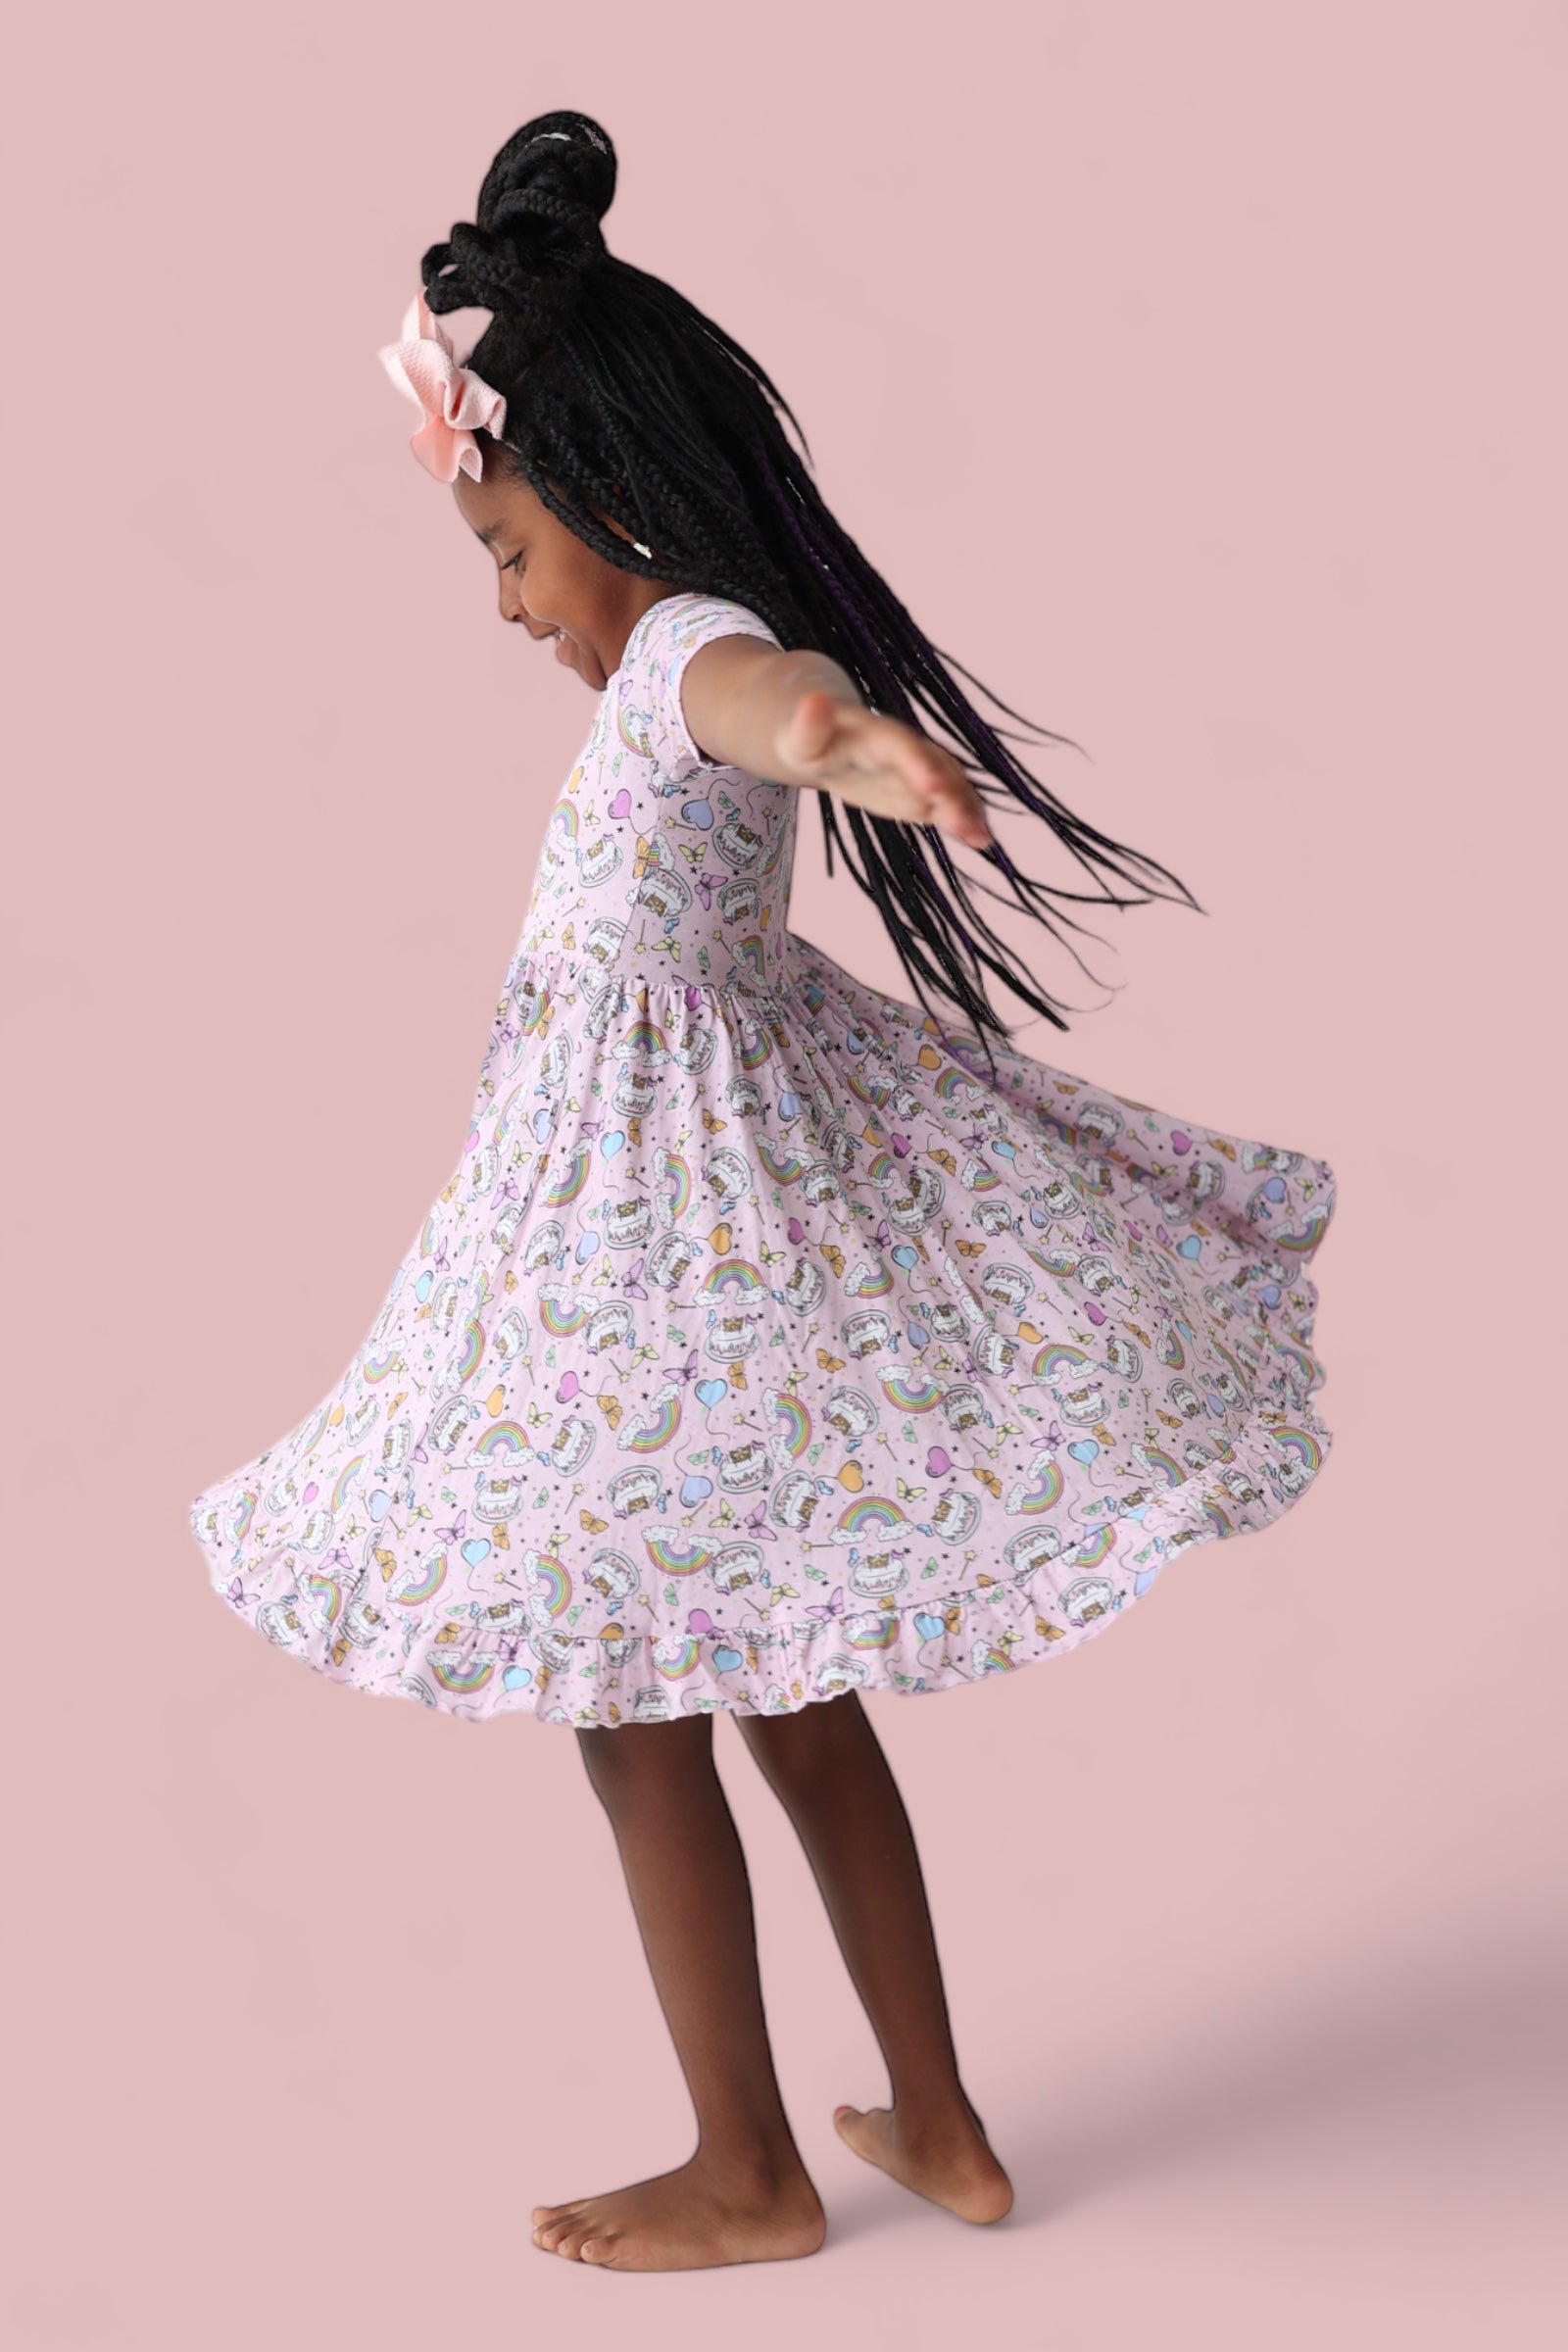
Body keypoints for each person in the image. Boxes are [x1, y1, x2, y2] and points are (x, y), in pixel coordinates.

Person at [188, 109, 1338, 2273]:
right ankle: (939, 2123)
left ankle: (748, 2171)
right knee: (794, 1698)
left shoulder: (681, 656)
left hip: (647, 1300)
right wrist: (828, 736)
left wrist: (853, 743)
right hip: (693, 1273)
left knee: (636, 1721)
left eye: (506, 550)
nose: (505, 603)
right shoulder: (650, 664)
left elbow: (766, 699)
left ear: (605, 505)